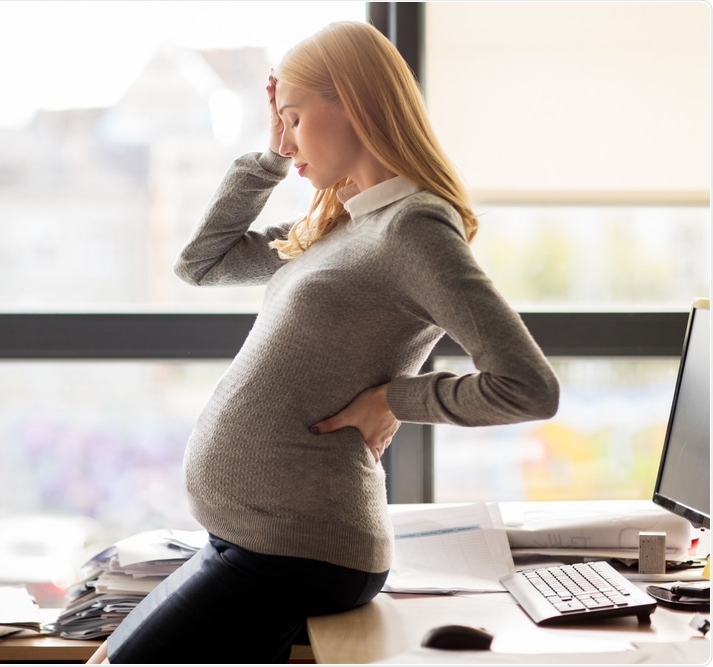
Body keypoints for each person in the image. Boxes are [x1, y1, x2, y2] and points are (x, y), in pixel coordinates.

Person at [88, 20, 559, 664]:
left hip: (298, 552)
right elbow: (203, 262)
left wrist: (395, 397)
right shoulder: (341, 225)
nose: (289, 140)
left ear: (355, 103)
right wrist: (272, 157)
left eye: (296, 119)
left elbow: (526, 386)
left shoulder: (412, 227)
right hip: (248, 537)